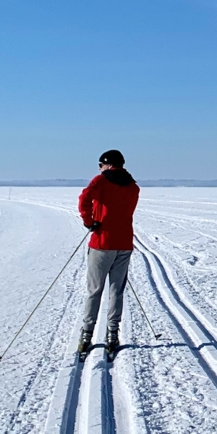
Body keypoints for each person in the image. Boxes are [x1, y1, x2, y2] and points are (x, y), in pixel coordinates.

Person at [77, 149, 140, 357]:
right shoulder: (133, 187)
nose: (99, 168)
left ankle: (87, 335)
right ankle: (113, 333)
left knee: (94, 290)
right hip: (124, 244)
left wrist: (89, 222)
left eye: (100, 165)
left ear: (107, 164)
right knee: (116, 291)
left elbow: (84, 198)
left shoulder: (101, 181)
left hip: (102, 243)